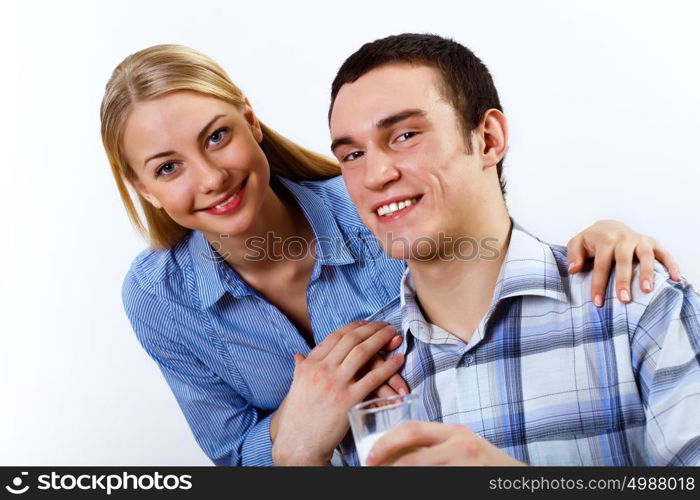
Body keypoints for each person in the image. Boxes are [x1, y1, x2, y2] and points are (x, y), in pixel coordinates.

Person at [100, 44, 682, 466]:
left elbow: (480, 246)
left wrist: (603, 237)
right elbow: (233, 460)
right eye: (167, 167)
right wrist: (297, 435)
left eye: (217, 136)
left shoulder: (375, 206)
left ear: (251, 120)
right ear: (143, 189)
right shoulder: (159, 296)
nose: (210, 177)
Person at [318, 33, 699, 466]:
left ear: (489, 139)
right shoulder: (361, 378)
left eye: (405, 134)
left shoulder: (637, 305)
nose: (375, 175)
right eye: (352, 155)